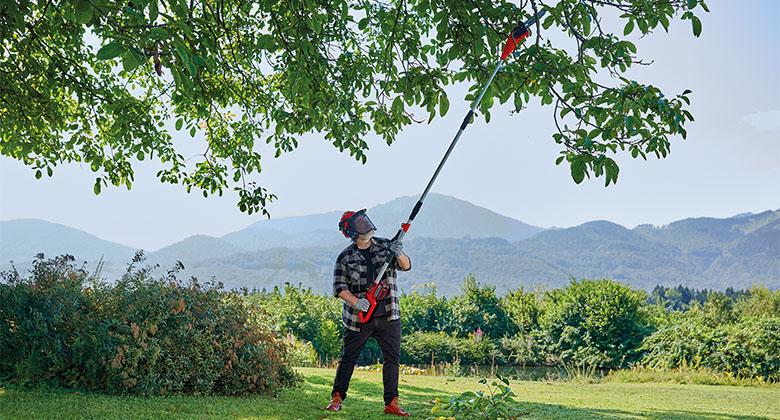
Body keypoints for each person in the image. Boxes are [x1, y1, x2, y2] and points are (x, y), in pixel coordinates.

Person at [325, 209, 412, 416]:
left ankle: (391, 403)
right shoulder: (345, 257)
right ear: (352, 231)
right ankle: (337, 398)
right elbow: (339, 288)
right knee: (348, 358)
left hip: (389, 314)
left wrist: (399, 253)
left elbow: (406, 266)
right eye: (360, 222)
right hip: (359, 318)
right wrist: (357, 302)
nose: (366, 224)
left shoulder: (386, 246)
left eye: (365, 220)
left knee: (392, 359)